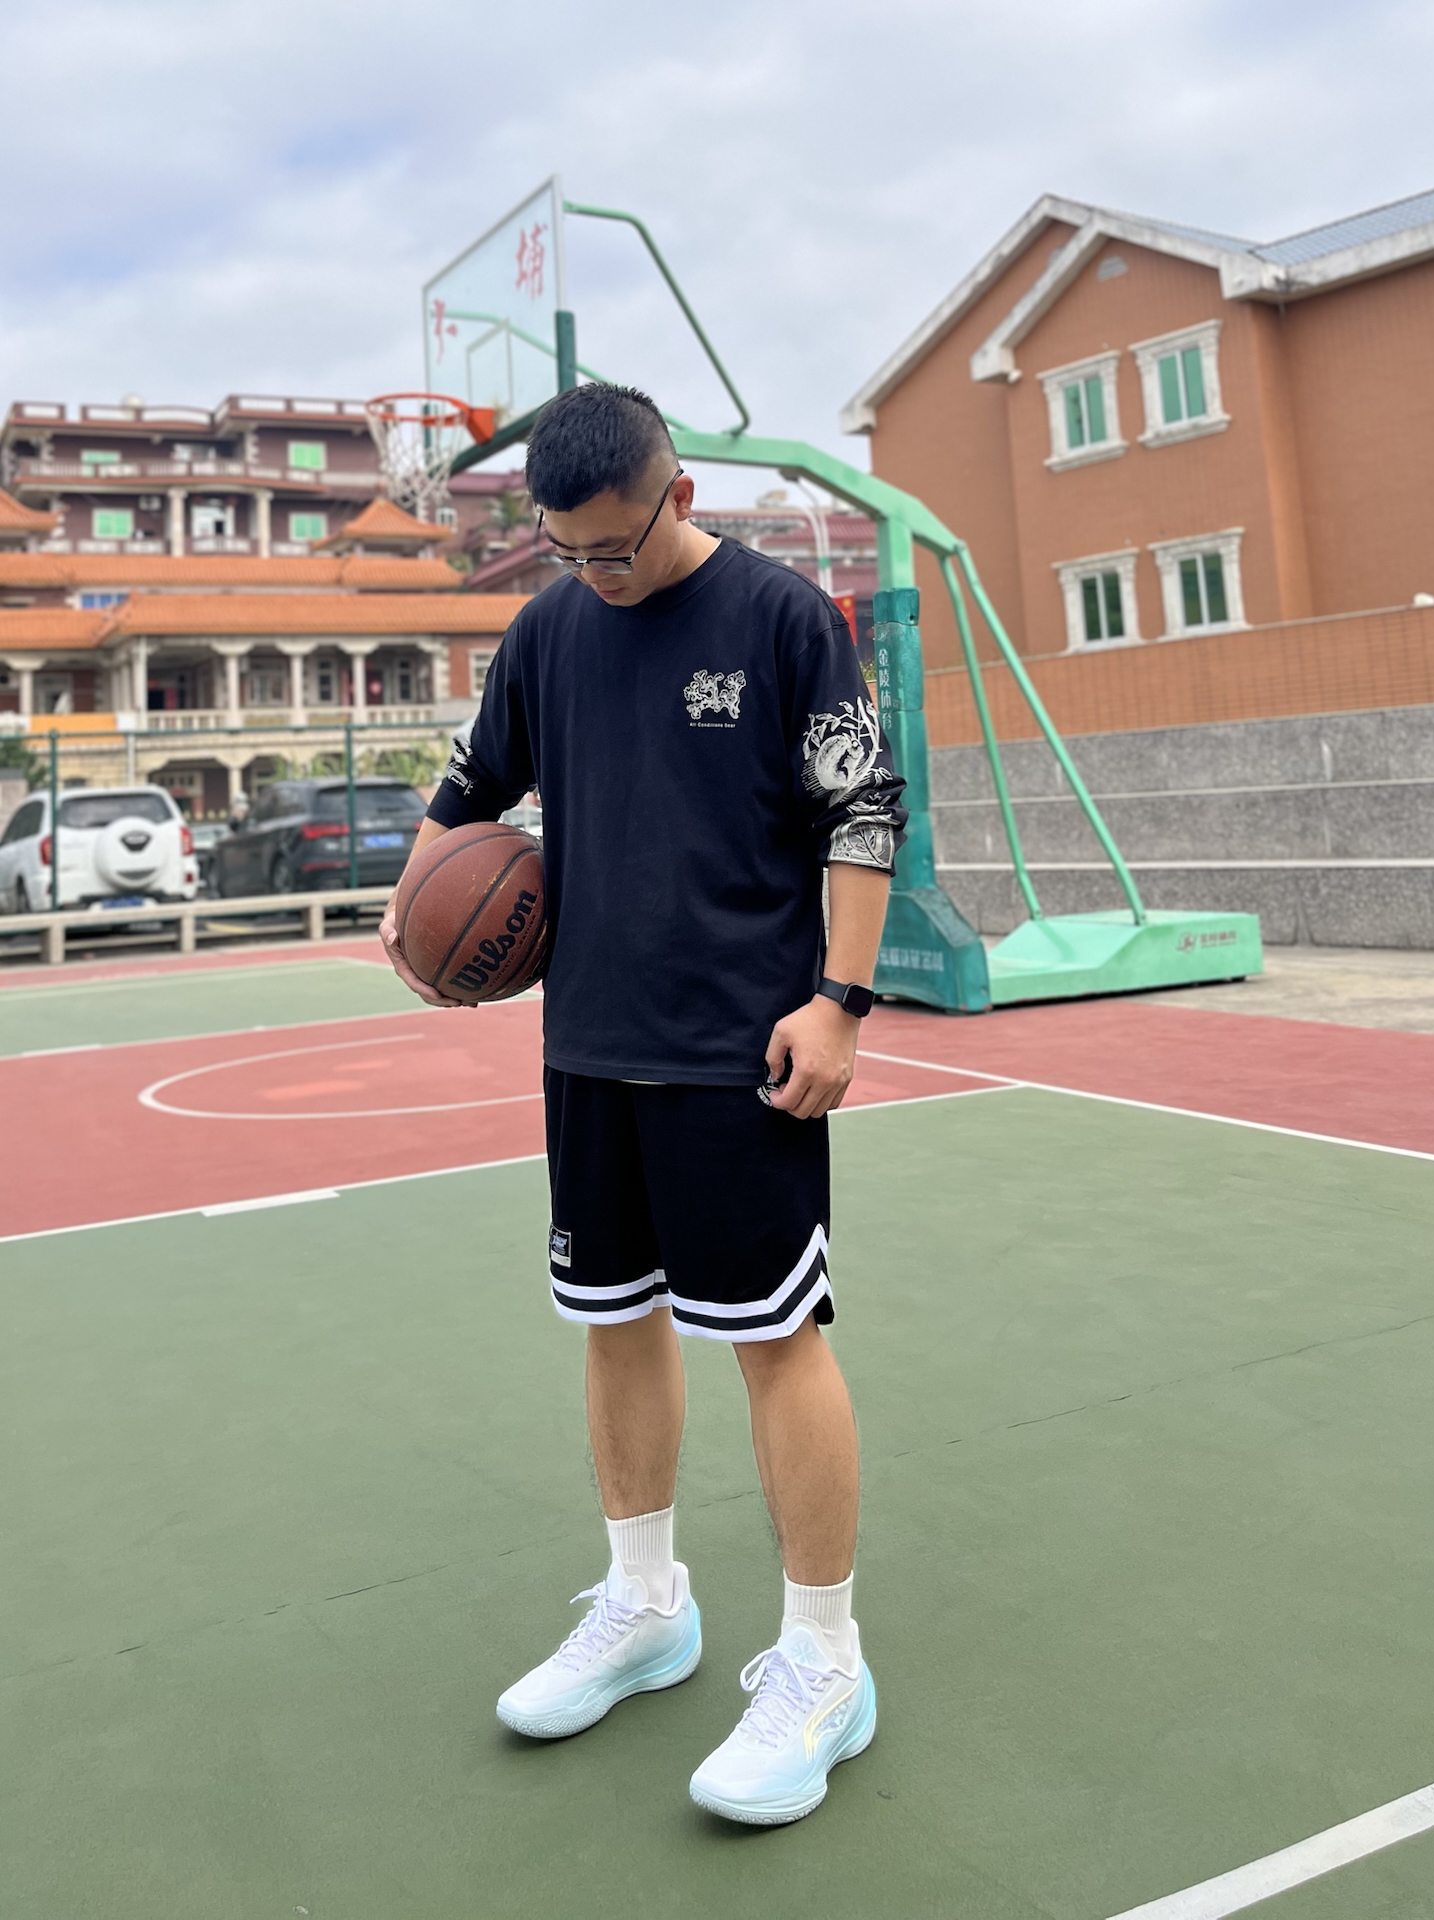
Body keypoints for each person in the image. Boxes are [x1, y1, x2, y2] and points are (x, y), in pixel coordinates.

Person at [380, 383, 906, 1826]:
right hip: (591, 1045)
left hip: (743, 1052)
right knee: (615, 1322)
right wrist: (411, 907)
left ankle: (826, 1664)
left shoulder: (784, 619)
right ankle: (645, 1604)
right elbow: (471, 787)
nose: (594, 572)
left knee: (775, 1343)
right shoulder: (550, 629)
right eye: (567, 549)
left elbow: (864, 813)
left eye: (613, 546)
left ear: (676, 496)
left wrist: (841, 1003)